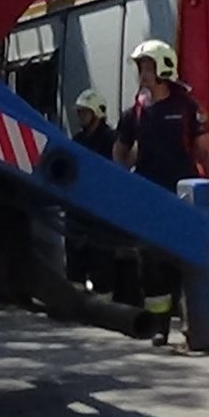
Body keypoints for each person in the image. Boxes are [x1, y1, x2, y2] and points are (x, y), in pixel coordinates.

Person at [114, 40, 209, 344]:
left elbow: (205, 151)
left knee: (186, 259)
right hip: (149, 196)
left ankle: (193, 322)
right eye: (140, 68)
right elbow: (120, 150)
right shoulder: (134, 111)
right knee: (151, 263)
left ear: (164, 69)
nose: (143, 75)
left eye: (148, 68)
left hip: (183, 195)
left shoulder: (186, 107)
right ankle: (160, 326)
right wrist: (122, 180)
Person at [65, 90, 119, 293]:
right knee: (76, 258)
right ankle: (77, 300)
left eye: (84, 113)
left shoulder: (111, 140)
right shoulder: (77, 141)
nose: (80, 117)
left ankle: (104, 301)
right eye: (79, 113)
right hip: (79, 208)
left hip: (102, 209)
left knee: (102, 258)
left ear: (96, 114)